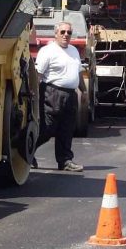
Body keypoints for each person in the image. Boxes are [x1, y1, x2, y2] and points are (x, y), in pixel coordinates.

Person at [35, 21, 84, 171]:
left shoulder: (74, 51)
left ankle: (65, 161)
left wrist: (84, 90)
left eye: (69, 32)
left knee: (67, 129)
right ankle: (25, 152)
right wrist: (33, 94)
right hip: (52, 93)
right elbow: (38, 74)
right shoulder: (47, 51)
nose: (66, 35)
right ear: (55, 34)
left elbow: (79, 72)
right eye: (62, 32)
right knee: (47, 129)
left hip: (70, 95)